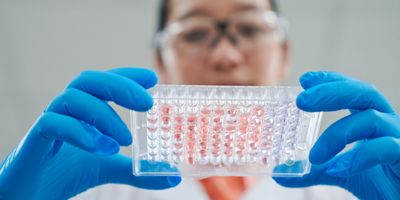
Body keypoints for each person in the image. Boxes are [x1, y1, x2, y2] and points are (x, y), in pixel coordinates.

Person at [0, 0, 399, 199]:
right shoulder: (98, 186)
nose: (225, 56)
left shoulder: (340, 187)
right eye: (193, 33)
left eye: (249, 27)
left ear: (285, 54)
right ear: (161, 60)